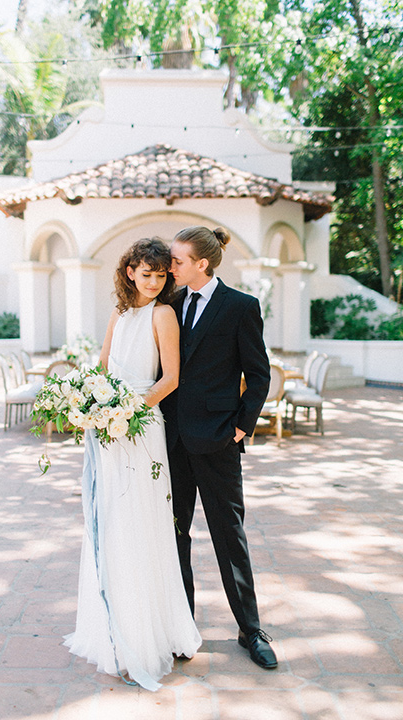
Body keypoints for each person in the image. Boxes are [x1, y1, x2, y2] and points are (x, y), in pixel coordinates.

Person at [63, 238, 201, 691]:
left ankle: (144, 638)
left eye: (161, 276)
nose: (154, 283)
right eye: (146, 274)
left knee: (142, 523)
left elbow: (172, 378)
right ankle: (112, 631)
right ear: (129, 272)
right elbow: (103, 366)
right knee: (113, 522)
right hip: (109, 430)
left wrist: (130, 411)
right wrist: (91, 403)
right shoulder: (120, 312)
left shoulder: (163, 314)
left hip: (141, 427)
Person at [160, 225, 277, 670]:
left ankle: (252, 631)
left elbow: (259, 374)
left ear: (201, 263)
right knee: (174, 537)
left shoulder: (240, 307)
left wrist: (241, 428)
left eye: (177, 261)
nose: (171, 267)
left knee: (230, 538)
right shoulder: (169, 304)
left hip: (218, 441)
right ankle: (181, 628)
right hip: (170, 443)